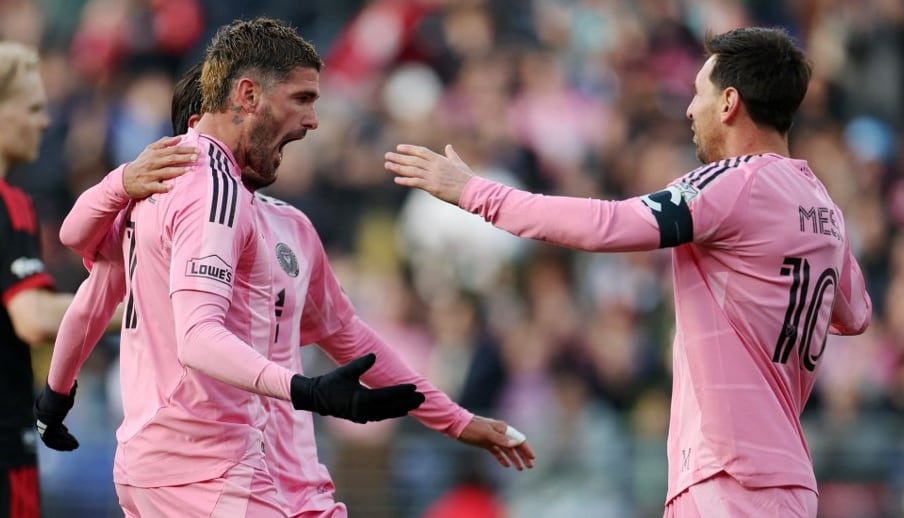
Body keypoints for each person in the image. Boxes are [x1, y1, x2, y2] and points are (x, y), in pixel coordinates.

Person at [40, 27, 534, 518]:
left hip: (281, 481)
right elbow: (186, 330)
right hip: (210, 473)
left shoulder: (285, 224)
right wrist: (310, 392)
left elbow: (347, 335)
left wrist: (453, 419)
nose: (314, 121)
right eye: (301, 98)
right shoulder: (204, 190)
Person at [385, 26, 872, 516]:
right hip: (790, 482)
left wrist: (475, 193)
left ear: (728, 103)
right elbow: (854, 315)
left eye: (697, 93)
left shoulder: (733, 184)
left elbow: (608, 224)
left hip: (728, 475)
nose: (688, 109)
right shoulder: (823, 206)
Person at [0, 41, 80, 518]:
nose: (44, 123)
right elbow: (32, 317)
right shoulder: (9, 204)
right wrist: (127, 307)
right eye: (32, 108)